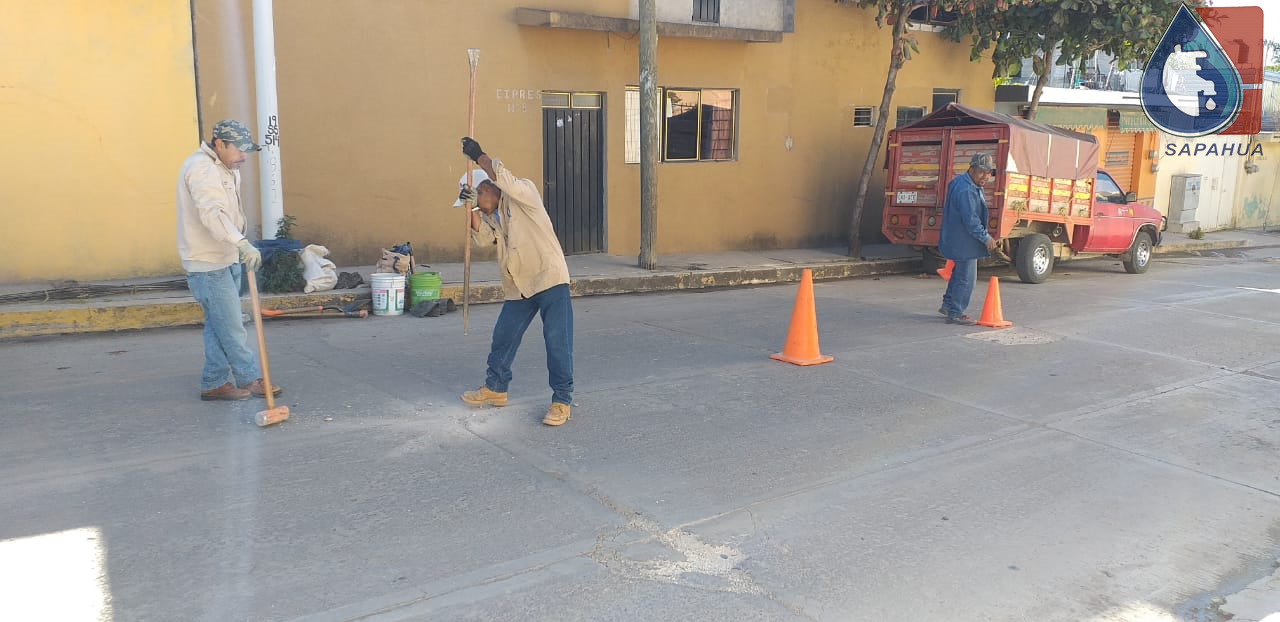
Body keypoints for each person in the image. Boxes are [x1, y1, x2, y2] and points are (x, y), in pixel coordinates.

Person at [456, 136, 574, 426]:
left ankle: (561, 400)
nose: (476, 205)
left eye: (475, 197)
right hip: (519, 286)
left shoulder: (524, 196)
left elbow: (504, 178)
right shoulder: (495, 216)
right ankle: (495, 388)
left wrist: (480, 156)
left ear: (488, 188)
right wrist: (471, 209)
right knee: (503, 337)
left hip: (548, 278)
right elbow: (483, 238)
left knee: (557, 341)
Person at [176, 119, 282, 401]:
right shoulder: (202, 169)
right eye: (239, 150)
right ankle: (248, 378)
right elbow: (213, 214)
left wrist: (237, 247)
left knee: (219, 324)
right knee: (233, 326)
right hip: (208, 265)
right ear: (219, 144)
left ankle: (213, 382)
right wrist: (241, 243)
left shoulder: (226, 167)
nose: (244, 157)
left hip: (226, 258)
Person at [938, 152, 1000, 325]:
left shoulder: (959, 182)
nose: (986, 176)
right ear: (972, 169)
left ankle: (948, 304)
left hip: (955, 237)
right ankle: (956, 312)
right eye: (982, 172)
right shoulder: (967, 190)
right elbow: (971, 220)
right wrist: (986, 238)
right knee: (966, 278)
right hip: (964, 241)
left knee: (958, 274)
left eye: (988, 173)